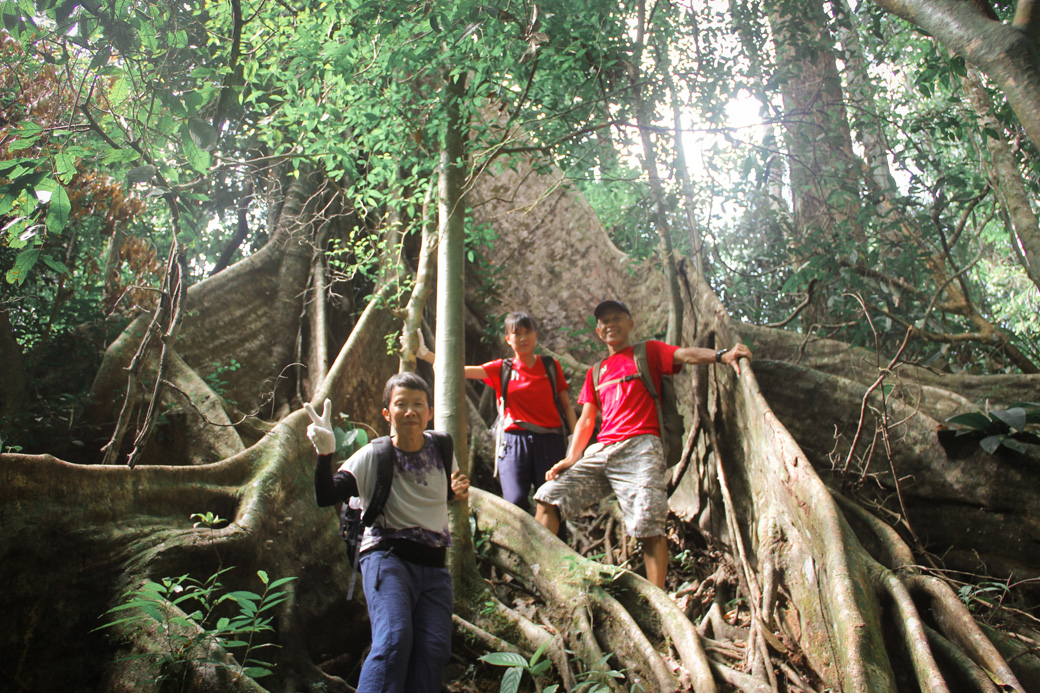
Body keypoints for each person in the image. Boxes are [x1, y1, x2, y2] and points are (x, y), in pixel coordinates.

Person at [532, 300, 751, 589]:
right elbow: (586, 421)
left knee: (649, 526)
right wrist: (572, 458)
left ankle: (658, 601)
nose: (610, 324)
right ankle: (547, 583)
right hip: (602, 451)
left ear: (630, 324)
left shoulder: (647, 352)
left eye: (617, 318)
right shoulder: (595, 372)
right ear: (598, 332)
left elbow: (685, 355)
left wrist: (722, 356)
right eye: (604, 322)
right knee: (548, 497)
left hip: (641, 448)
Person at [305, 372, 470, 693]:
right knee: (394, 639)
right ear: (387, 413)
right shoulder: (373, 455)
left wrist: (457, 489)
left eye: (418, 404)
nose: (410, 411)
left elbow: (443, 491)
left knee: (434, 649)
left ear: (429, 411)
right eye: (401, 404)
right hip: (387, 559)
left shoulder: (442, 446)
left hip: (435, 570)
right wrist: (325, 454)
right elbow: (326, 496)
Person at [414, 312, 577, 513]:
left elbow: (567, 406)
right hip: (513, 442)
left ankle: (555, 544)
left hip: (550, 441)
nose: (523, 338)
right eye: (517, 334)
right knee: (515, 501)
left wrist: (575, 439)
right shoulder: (502, 368)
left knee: (553, 503)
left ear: (536, 335)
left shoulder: (551, 366)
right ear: (508, 339)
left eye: (528, 332)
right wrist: (424, 353)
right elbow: (458, 370)